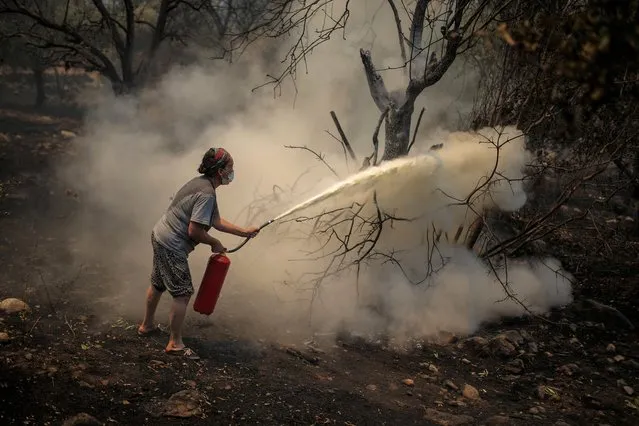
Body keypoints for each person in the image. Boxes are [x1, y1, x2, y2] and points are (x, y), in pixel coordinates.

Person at [137, 147, 259, 360]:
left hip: (159, 235)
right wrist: (214, 243)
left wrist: (244, 232)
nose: (233, 171)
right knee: (182, 294)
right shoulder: (207, 193)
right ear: (220, 171)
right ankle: (175, 344)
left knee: (158, 283)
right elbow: (194, 231)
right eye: (230, 167)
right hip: (172, 244)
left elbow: (216, 221)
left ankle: (147, 326)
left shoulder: (201, 183)